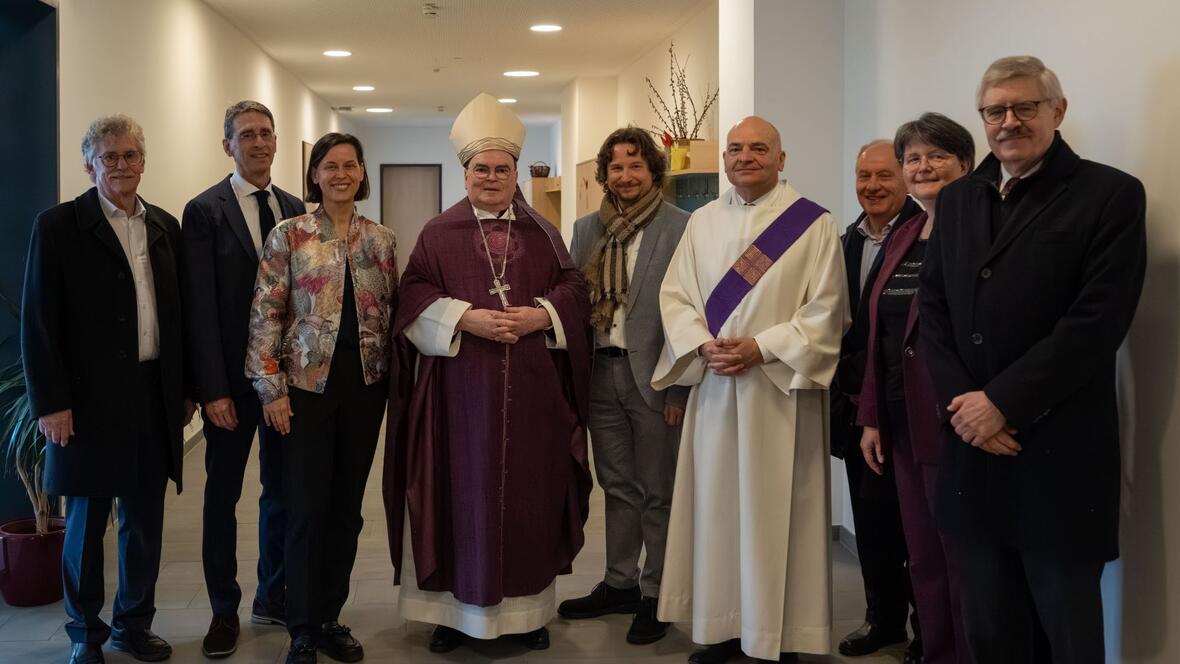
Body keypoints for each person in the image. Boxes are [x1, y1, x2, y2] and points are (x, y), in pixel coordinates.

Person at [919, 56, 1146, 663]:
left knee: (1066, 631)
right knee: (989, 629)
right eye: (996, 110)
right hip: (973, 452)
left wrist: (1002, 403)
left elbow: (1097, 322)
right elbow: (933, 309)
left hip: (1058, 455)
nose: (1009, 121)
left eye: (1025, 107)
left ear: (1057, 111)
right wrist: (966, 410)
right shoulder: (960, 199)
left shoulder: (1110, 194)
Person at [385, 93, 592, 655]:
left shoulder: (543, 233)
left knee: (532, 496)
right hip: (460, 395)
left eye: (503, 168)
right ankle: (454, 617)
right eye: (483, 169)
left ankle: (528, 616)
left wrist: (541, 315)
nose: (493, 177)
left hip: (532, 394)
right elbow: (412, 296)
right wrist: (466, 317)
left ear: (517, 173)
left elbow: (574, 290)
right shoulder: (438, 232)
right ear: (466, 172)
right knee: (458, 495)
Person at [654, 116, 849, 664]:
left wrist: (761, 347)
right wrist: (702, 344)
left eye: (759, 148)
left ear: (781, 158)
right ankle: (724, 628)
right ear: (725, 160)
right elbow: (676, 297)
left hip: (778, 392)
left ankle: (780, 634)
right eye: (735, 148)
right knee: (718, 509)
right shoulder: (702, 222)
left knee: (778, 509)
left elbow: (828, 309)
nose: (745, 157)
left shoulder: (811, 224)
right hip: (717, 390)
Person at [21, 114, 193, 664]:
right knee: (87, 526)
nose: (121, 166)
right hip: (85, 404)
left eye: (130, 156)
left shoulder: (165, 226)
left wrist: (182, 388)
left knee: (144, 522)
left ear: (144, 161)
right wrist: (51, 402)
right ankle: (84, 635)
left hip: (151, 395)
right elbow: (38, 321)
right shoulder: (58, 226)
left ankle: (133, 625)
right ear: (89, 164)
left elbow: (180, 316)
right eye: (109, 157)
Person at [245, 132, 397, 664]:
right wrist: (271, 388)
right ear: (314, 174)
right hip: (305, 393)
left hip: (364, 391)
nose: (340, 174)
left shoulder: (381, 240)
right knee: (305, 509)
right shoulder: (289, 235)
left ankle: (331, 615)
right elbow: (266, 316)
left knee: (346, 511)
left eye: (350, 165)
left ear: (361, 173)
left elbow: (395, 314)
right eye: (329, 166)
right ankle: (302, 627)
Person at [182, 100, 305, 658]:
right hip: (230, 385)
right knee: (222, 498)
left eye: (266, 134)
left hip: (282, 384)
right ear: (226, 145)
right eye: (246, 135)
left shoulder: (295, 207)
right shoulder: (204, 211)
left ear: (277, 143)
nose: (258, 143)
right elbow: (199, 309)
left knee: (280, 491)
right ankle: (223, 609)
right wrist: (212, 390)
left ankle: (272, 592)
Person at [562, 126, 690, 645]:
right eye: (616, 167)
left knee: (658, 490)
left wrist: (681, 388)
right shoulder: (586, 229)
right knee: (617, 486)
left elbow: (694, 313)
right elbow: (573, 302)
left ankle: (657, 593)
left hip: (657, 377)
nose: (626, 176)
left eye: (636, 165)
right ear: (604, 174)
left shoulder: (683, 227)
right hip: (601, 373)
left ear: (653, 170)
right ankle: (620, 581)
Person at [857, 114, 975, 664]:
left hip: (955, 418)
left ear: (966, 164)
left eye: (936, 157)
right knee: (922, 553)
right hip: (902, 421)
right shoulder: (904, 233)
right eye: (914, 159)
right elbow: (880, 331)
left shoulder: (979, 227)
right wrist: (873, 416)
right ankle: (935, 651)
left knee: (962, 555)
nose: (922, 166)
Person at [832, 140, 922, 662]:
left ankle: (927, 629)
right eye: (863, 175)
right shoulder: (847, 239)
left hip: (906, 406)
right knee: (871, 522)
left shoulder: (926, 234)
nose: (872, 186)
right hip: (856, 405)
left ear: (906, 176)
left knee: (916, 526)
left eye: (884, 175)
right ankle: (882, 619)